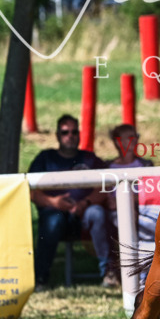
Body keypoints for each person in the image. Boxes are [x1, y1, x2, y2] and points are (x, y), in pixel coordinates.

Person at [28, 114, 109, 288]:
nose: (70, 136)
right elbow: (30, 191)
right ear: (57, 135)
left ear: (79, 135)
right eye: (65, 132)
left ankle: (108, 275)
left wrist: (85, 203)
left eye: (74, 132)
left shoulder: (90, 159)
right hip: (54, 213)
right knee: (52, 220)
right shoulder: (45, 158)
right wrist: (53, 202)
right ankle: (41, 279)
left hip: (85, 214)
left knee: (97, 213)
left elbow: (106, 186)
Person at [101, 123, 154, 287]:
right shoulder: (108, 167)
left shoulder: (146, 165)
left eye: (135, 137)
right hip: (114, 214)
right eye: (129, 138)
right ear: (118, 142)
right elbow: (102, 194)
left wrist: (130, 202)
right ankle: (114, 270)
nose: (134, 141)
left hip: (141, 211)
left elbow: (152, 194)